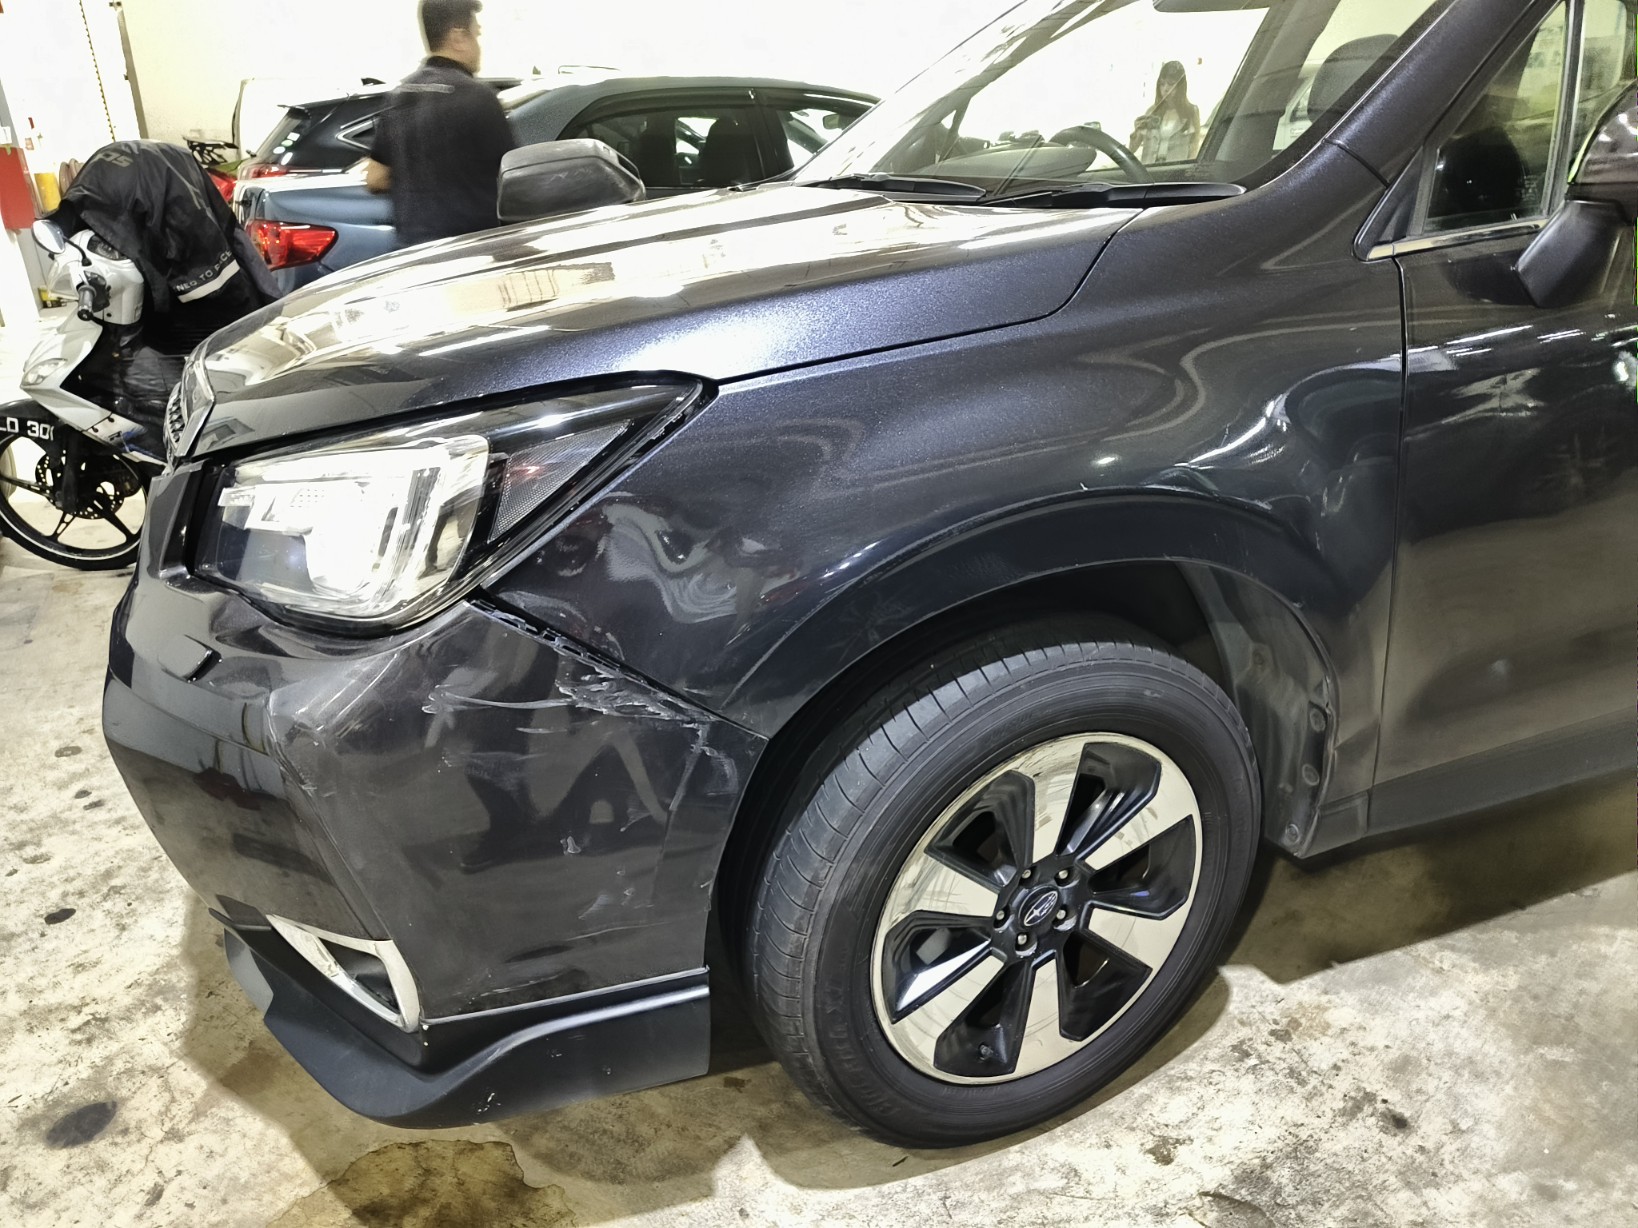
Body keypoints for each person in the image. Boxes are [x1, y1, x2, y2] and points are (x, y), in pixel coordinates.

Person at [364, 0, 516, 246]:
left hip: (412, 252)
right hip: (473, 251)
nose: (479, 46)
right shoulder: (478, 97)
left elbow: (375, 178)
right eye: (476, 34)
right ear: (458, 37)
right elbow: (515, 179)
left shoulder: (399, 95)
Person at [1129, 60, 1202, 165]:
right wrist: (1136, 131)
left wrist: (1187, 171)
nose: (1165, 89)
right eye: (1162, 84)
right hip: (1150, 169)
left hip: (1175, 170)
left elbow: (1194, 148)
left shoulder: (1191, 112)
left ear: (1180, 87)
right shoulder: (1152, 112)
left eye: (1171, 84)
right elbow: (1132, 149)